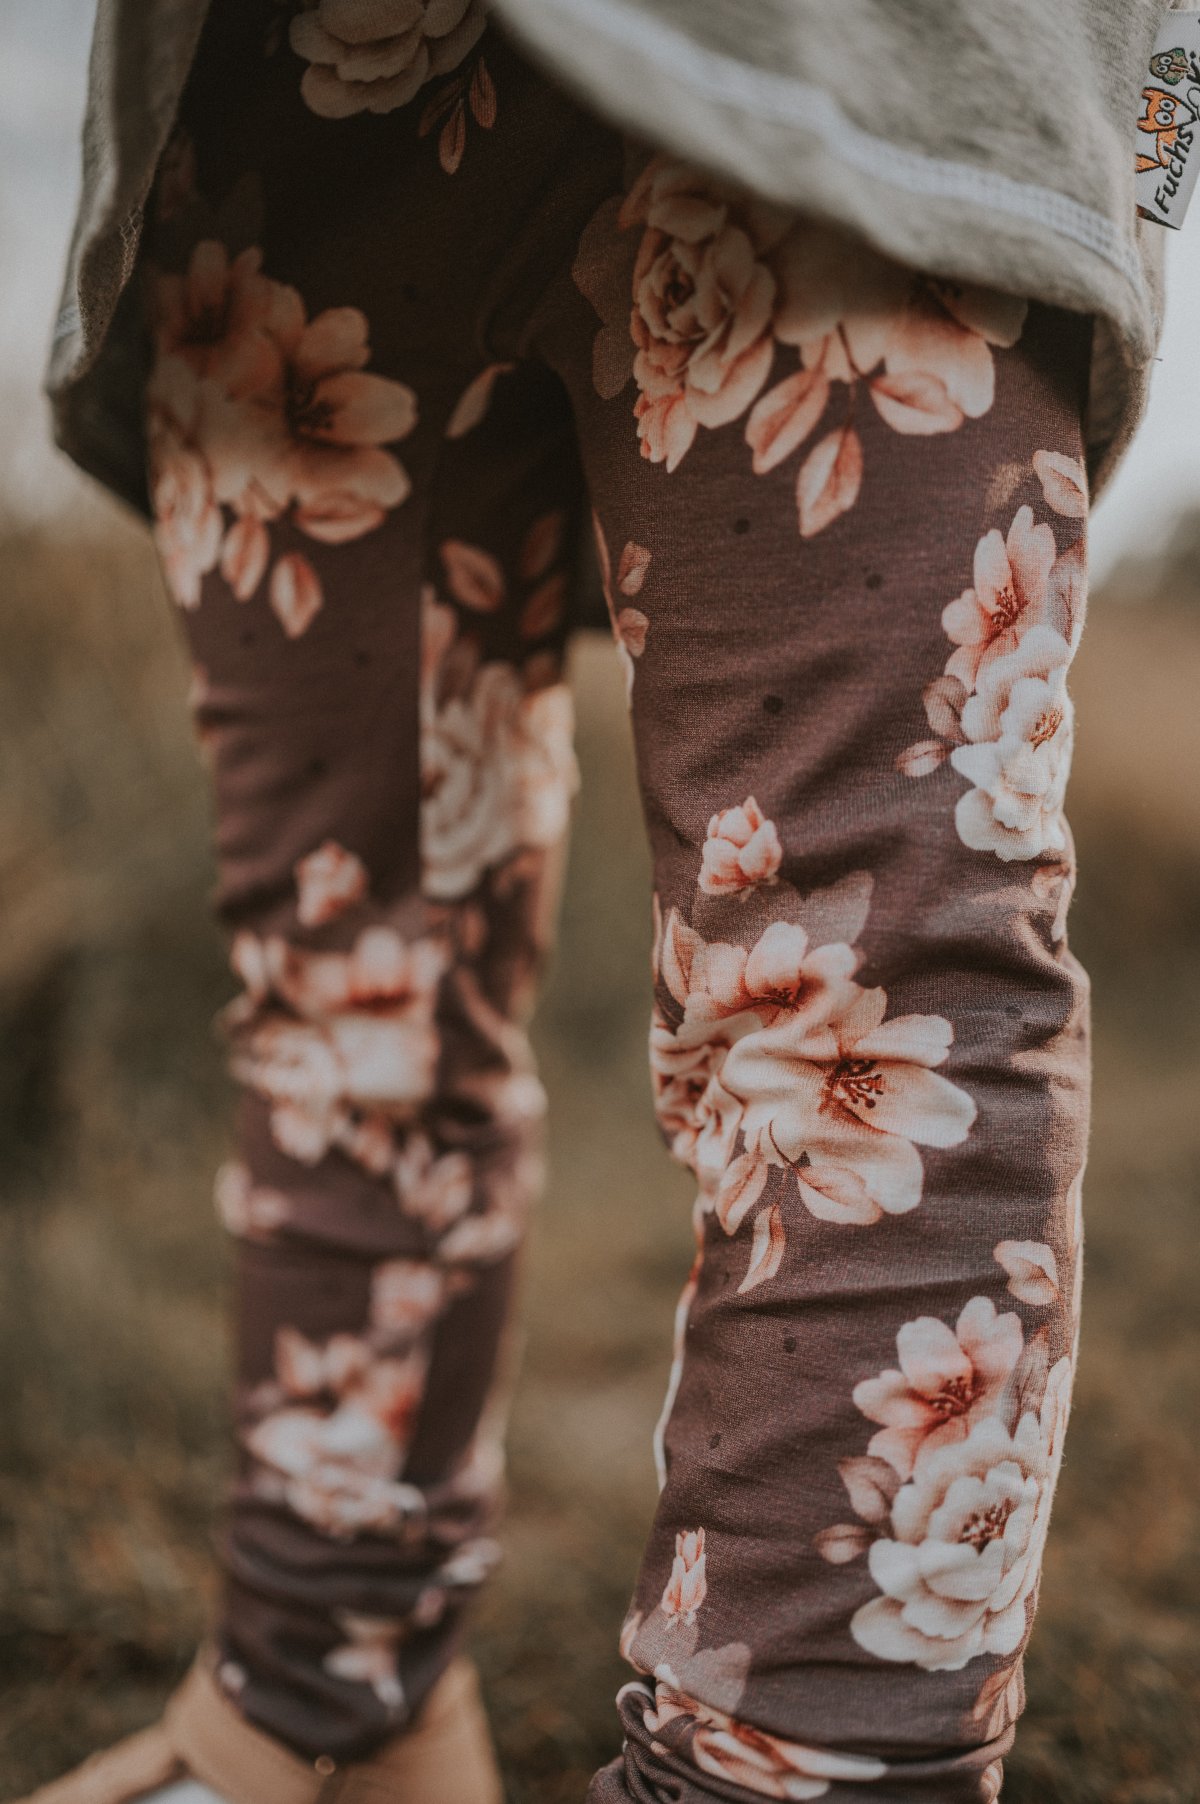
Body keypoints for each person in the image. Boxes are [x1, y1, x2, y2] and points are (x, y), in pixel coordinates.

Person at [22, 2, 1172, 1801]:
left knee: (861, 1032)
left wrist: (1153, 112)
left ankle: (782, 1769)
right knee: (347, 991)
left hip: (877, 68)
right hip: (273, 116)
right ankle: (323, 1697)